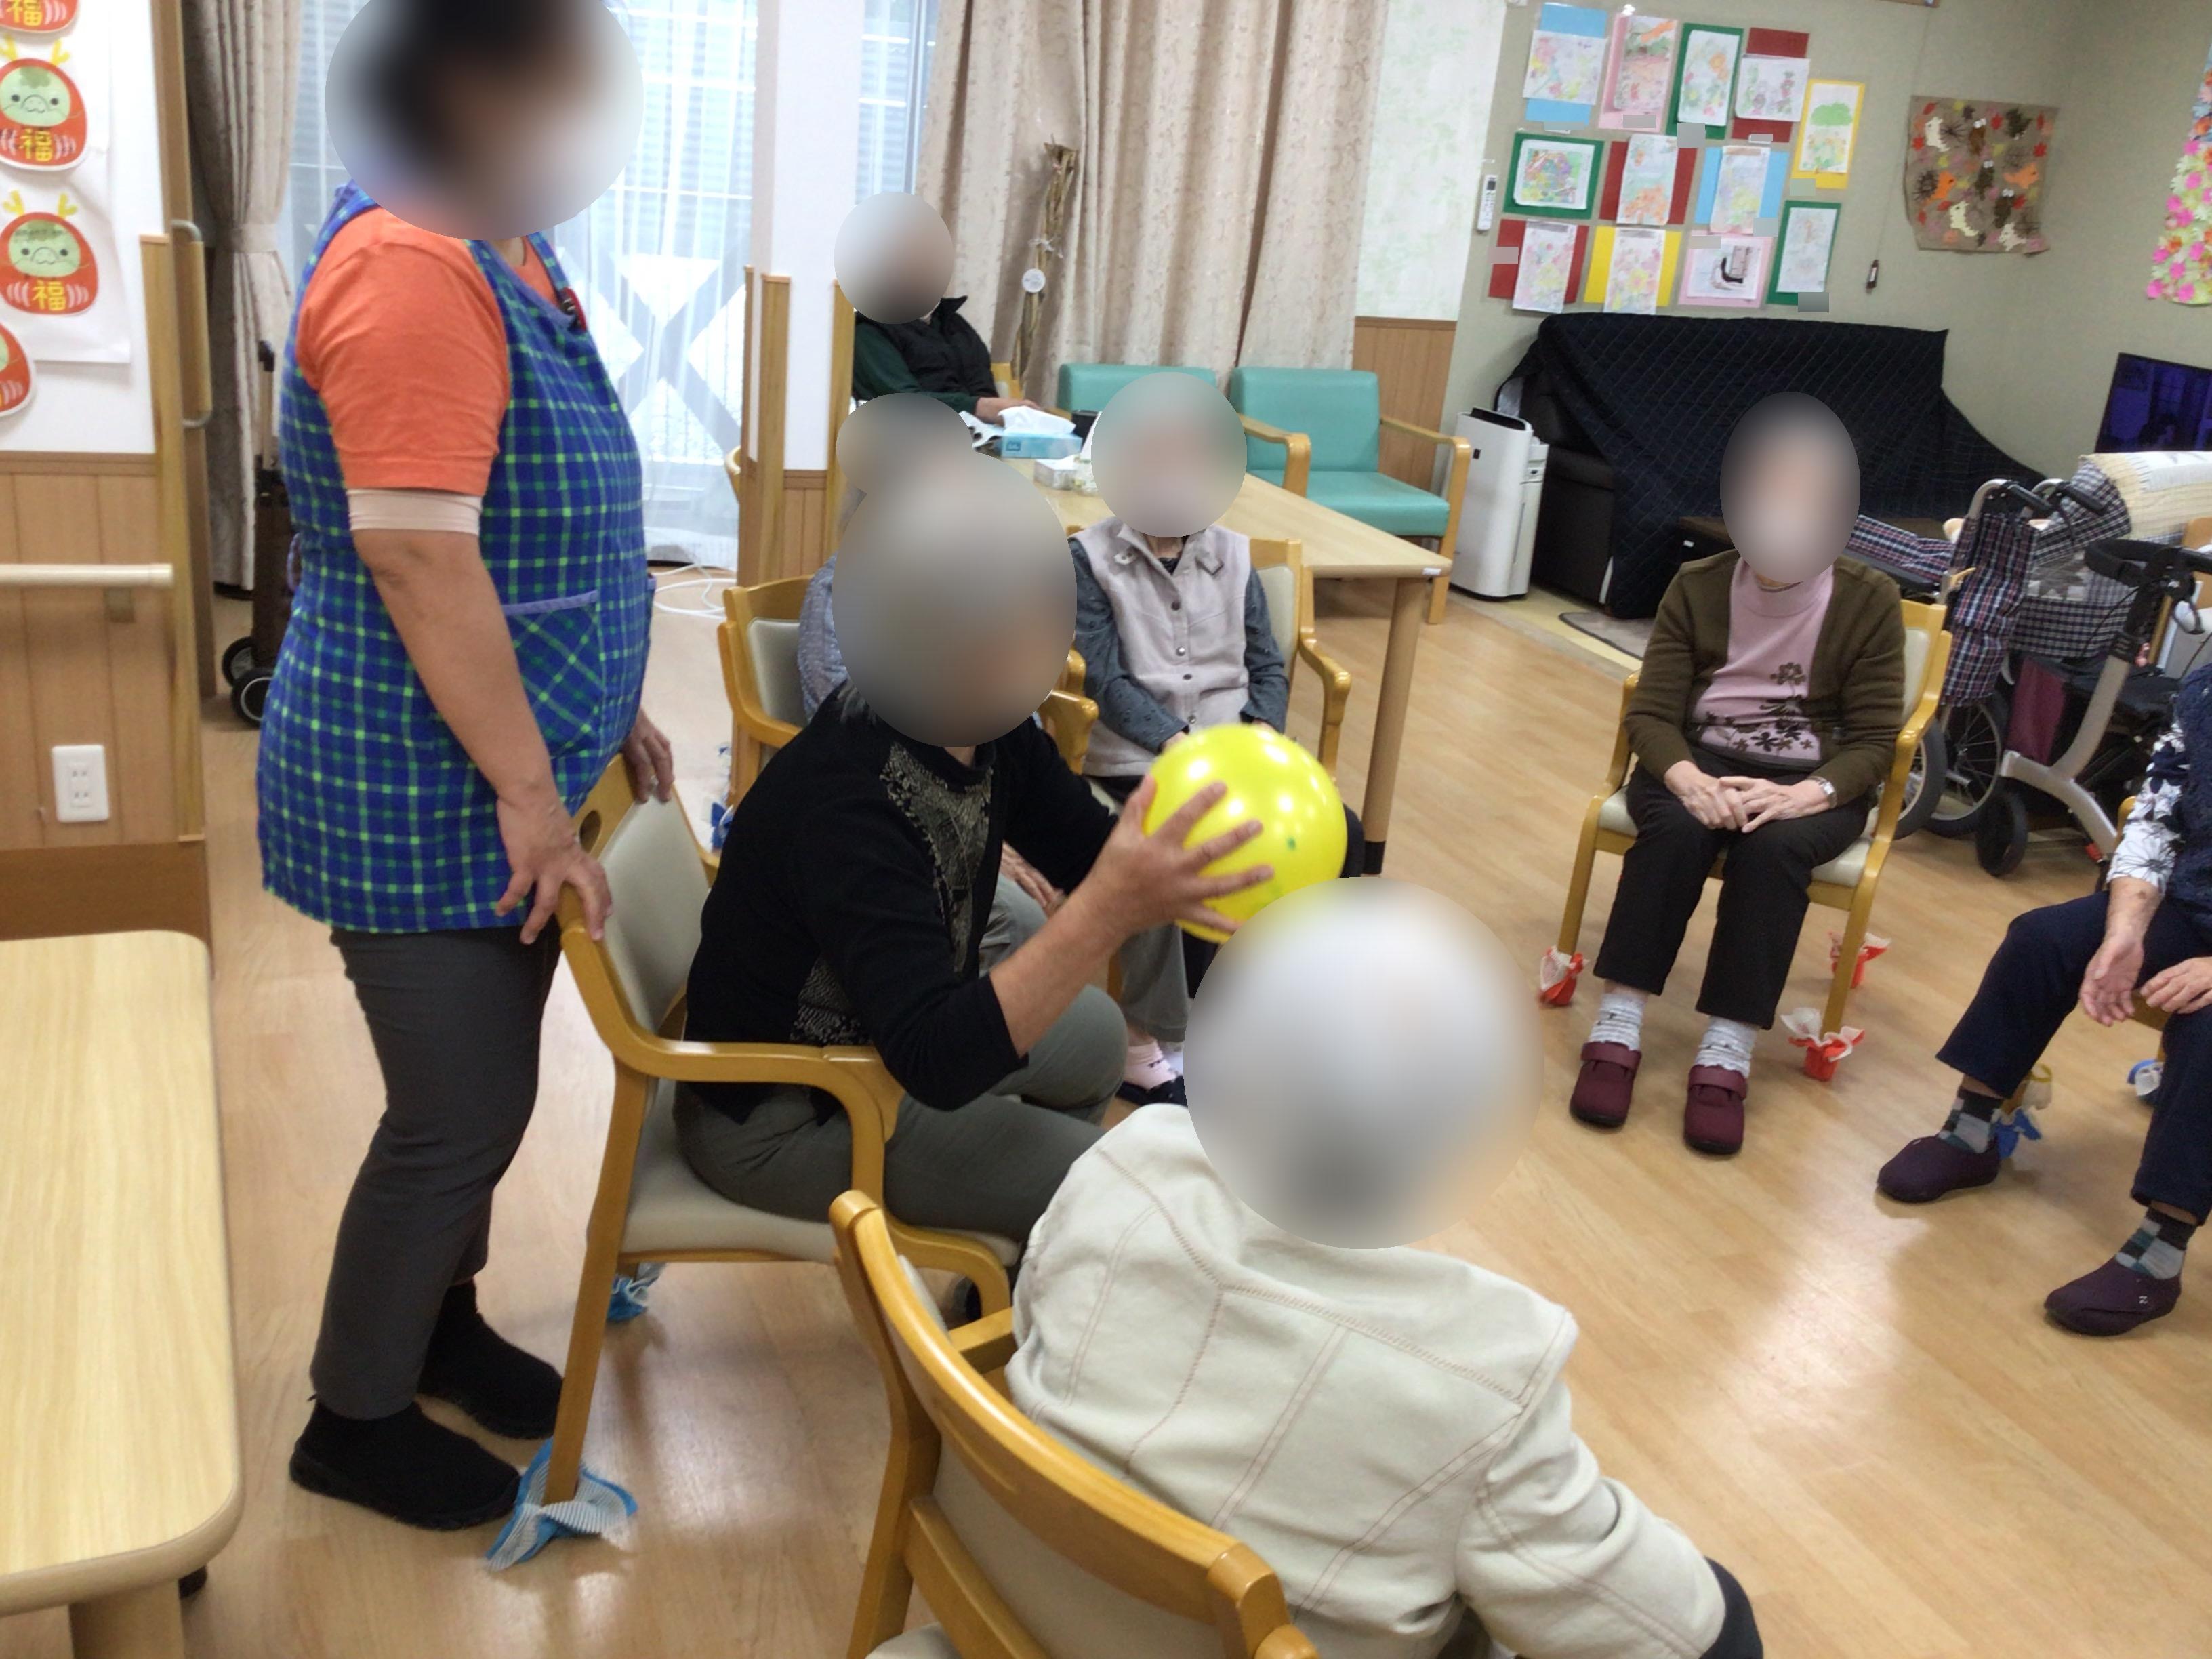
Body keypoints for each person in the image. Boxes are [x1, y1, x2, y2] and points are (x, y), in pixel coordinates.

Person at [259, 0, 667, 1531]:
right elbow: (422, 561)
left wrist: (614, 701)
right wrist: (529, 797)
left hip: (507, 759)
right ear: (459, 89)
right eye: (552, 85)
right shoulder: (412, 265)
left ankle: (440, 1325)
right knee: (458, 1111)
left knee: (482, 1088)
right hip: (417, 782)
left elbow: (549, 520)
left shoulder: (507, 243)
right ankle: (353, 1414)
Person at [1008, 883, 1762, 1659]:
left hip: (1019, 1604)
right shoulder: (1485, 1374)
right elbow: (1687, 1635)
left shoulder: (1122, 1165)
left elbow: (1028, 1343)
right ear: (1466, 1124)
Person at [680, 480, 1263, 1242]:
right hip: (788, 1112)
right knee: (1116, 1197)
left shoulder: (986, 724)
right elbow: (937, 1061)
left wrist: (1196, 857)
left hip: (885, 1048)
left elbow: (1088, 850)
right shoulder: (848, 802)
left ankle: (1019, 1263)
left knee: (1095, 1044)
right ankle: (1049, 1238)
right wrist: (1108, 909)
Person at [1572, 396, 1902, 1156]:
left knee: (1775, 850)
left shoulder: (1869, 598)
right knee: (1675, 830)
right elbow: (1652, 713)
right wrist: (1688, 778)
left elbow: (1875, 739)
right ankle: (1619, 1022)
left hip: (1810, 776)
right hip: (1702, 757)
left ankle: (1727, 1048)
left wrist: (1804, 795)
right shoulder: (1697, 584)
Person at [1877, 682, 2212, 1335]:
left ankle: (2161, 1250)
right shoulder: (2204, 696)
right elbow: (2155, 818)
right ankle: (1971, 1133)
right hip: (2193, 906)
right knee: (2043, 941)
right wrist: (2125, 932)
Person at [1071, 513, 1366, 1019]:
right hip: (1141, 756)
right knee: (1202, 843)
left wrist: (1262, 732)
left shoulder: (1235, 553)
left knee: (1349, 831)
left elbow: (1266, 665)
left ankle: (1301, 995)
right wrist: (1179, 744)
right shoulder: (1086, 557)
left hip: (1239, 750)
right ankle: (1188, 1015)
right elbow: (1103, 679)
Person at [852, 293, 1040, 424]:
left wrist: (1000, 412)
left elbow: (982, 387)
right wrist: (977, 407)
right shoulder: (869, 331)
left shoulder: (954, 323)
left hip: (978, 438)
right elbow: (901, 400)